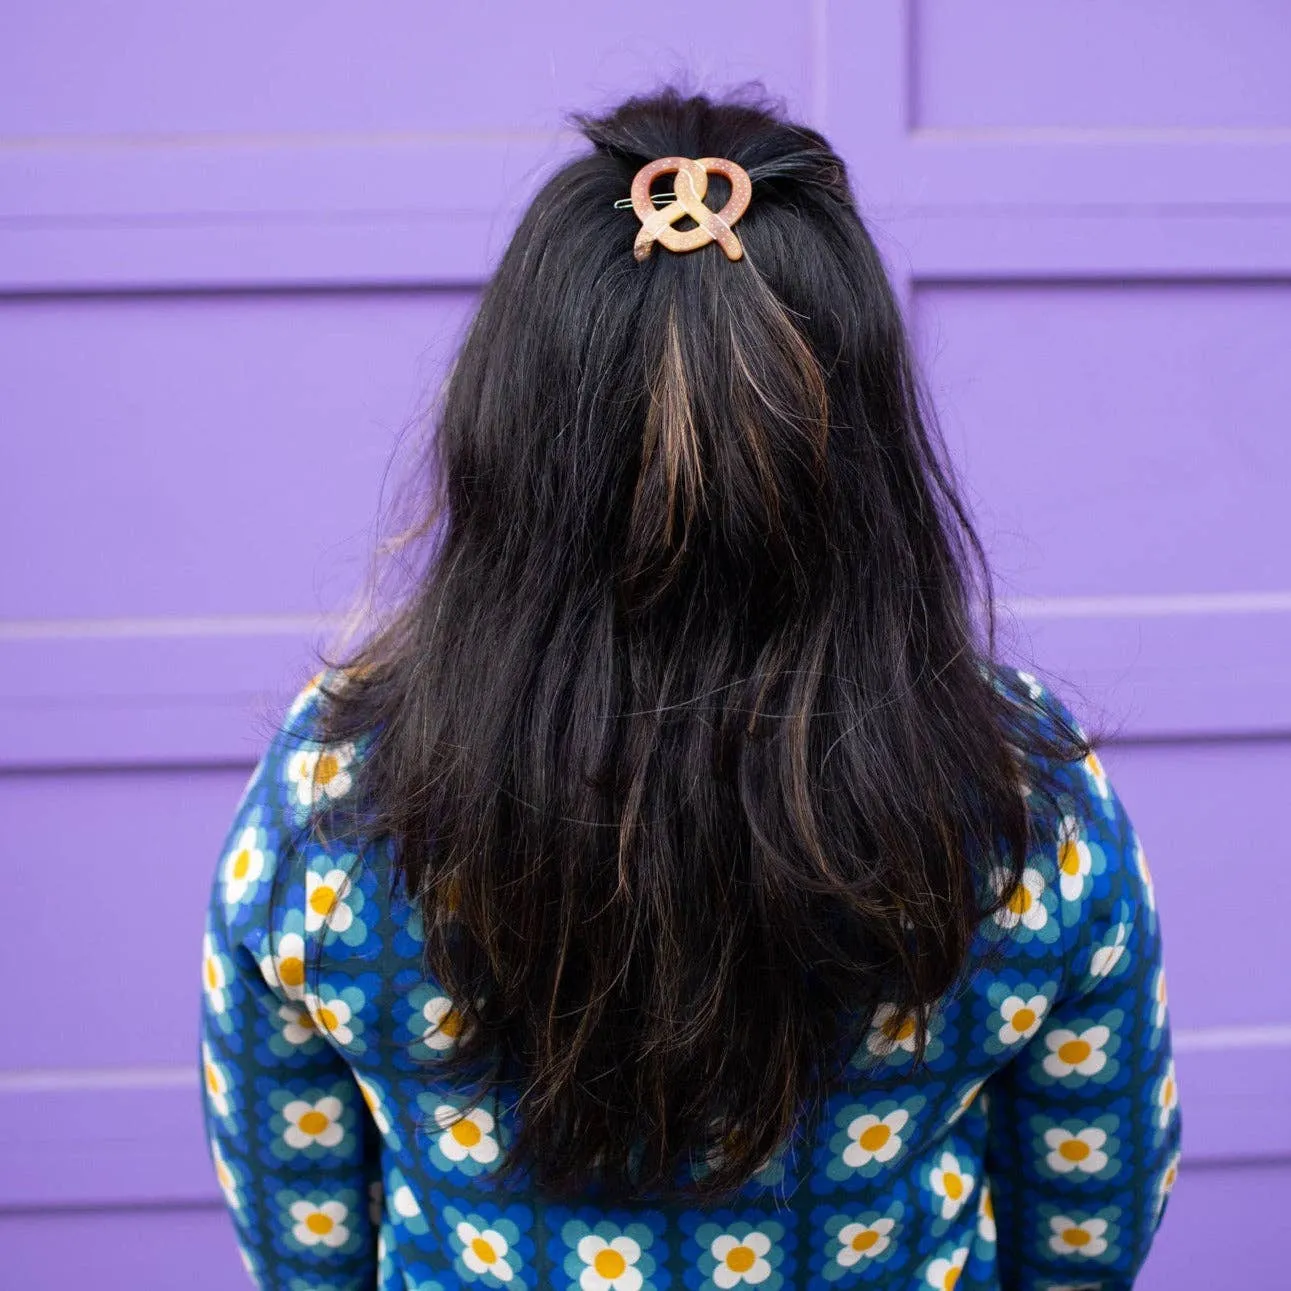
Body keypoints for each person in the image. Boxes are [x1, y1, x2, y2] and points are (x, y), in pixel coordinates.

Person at [199, 87, 1180, 1291]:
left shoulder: (332, 808)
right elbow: (1086, 1226)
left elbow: (305, 1244)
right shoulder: (1021, 807)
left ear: (505, 437)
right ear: (868, 461)